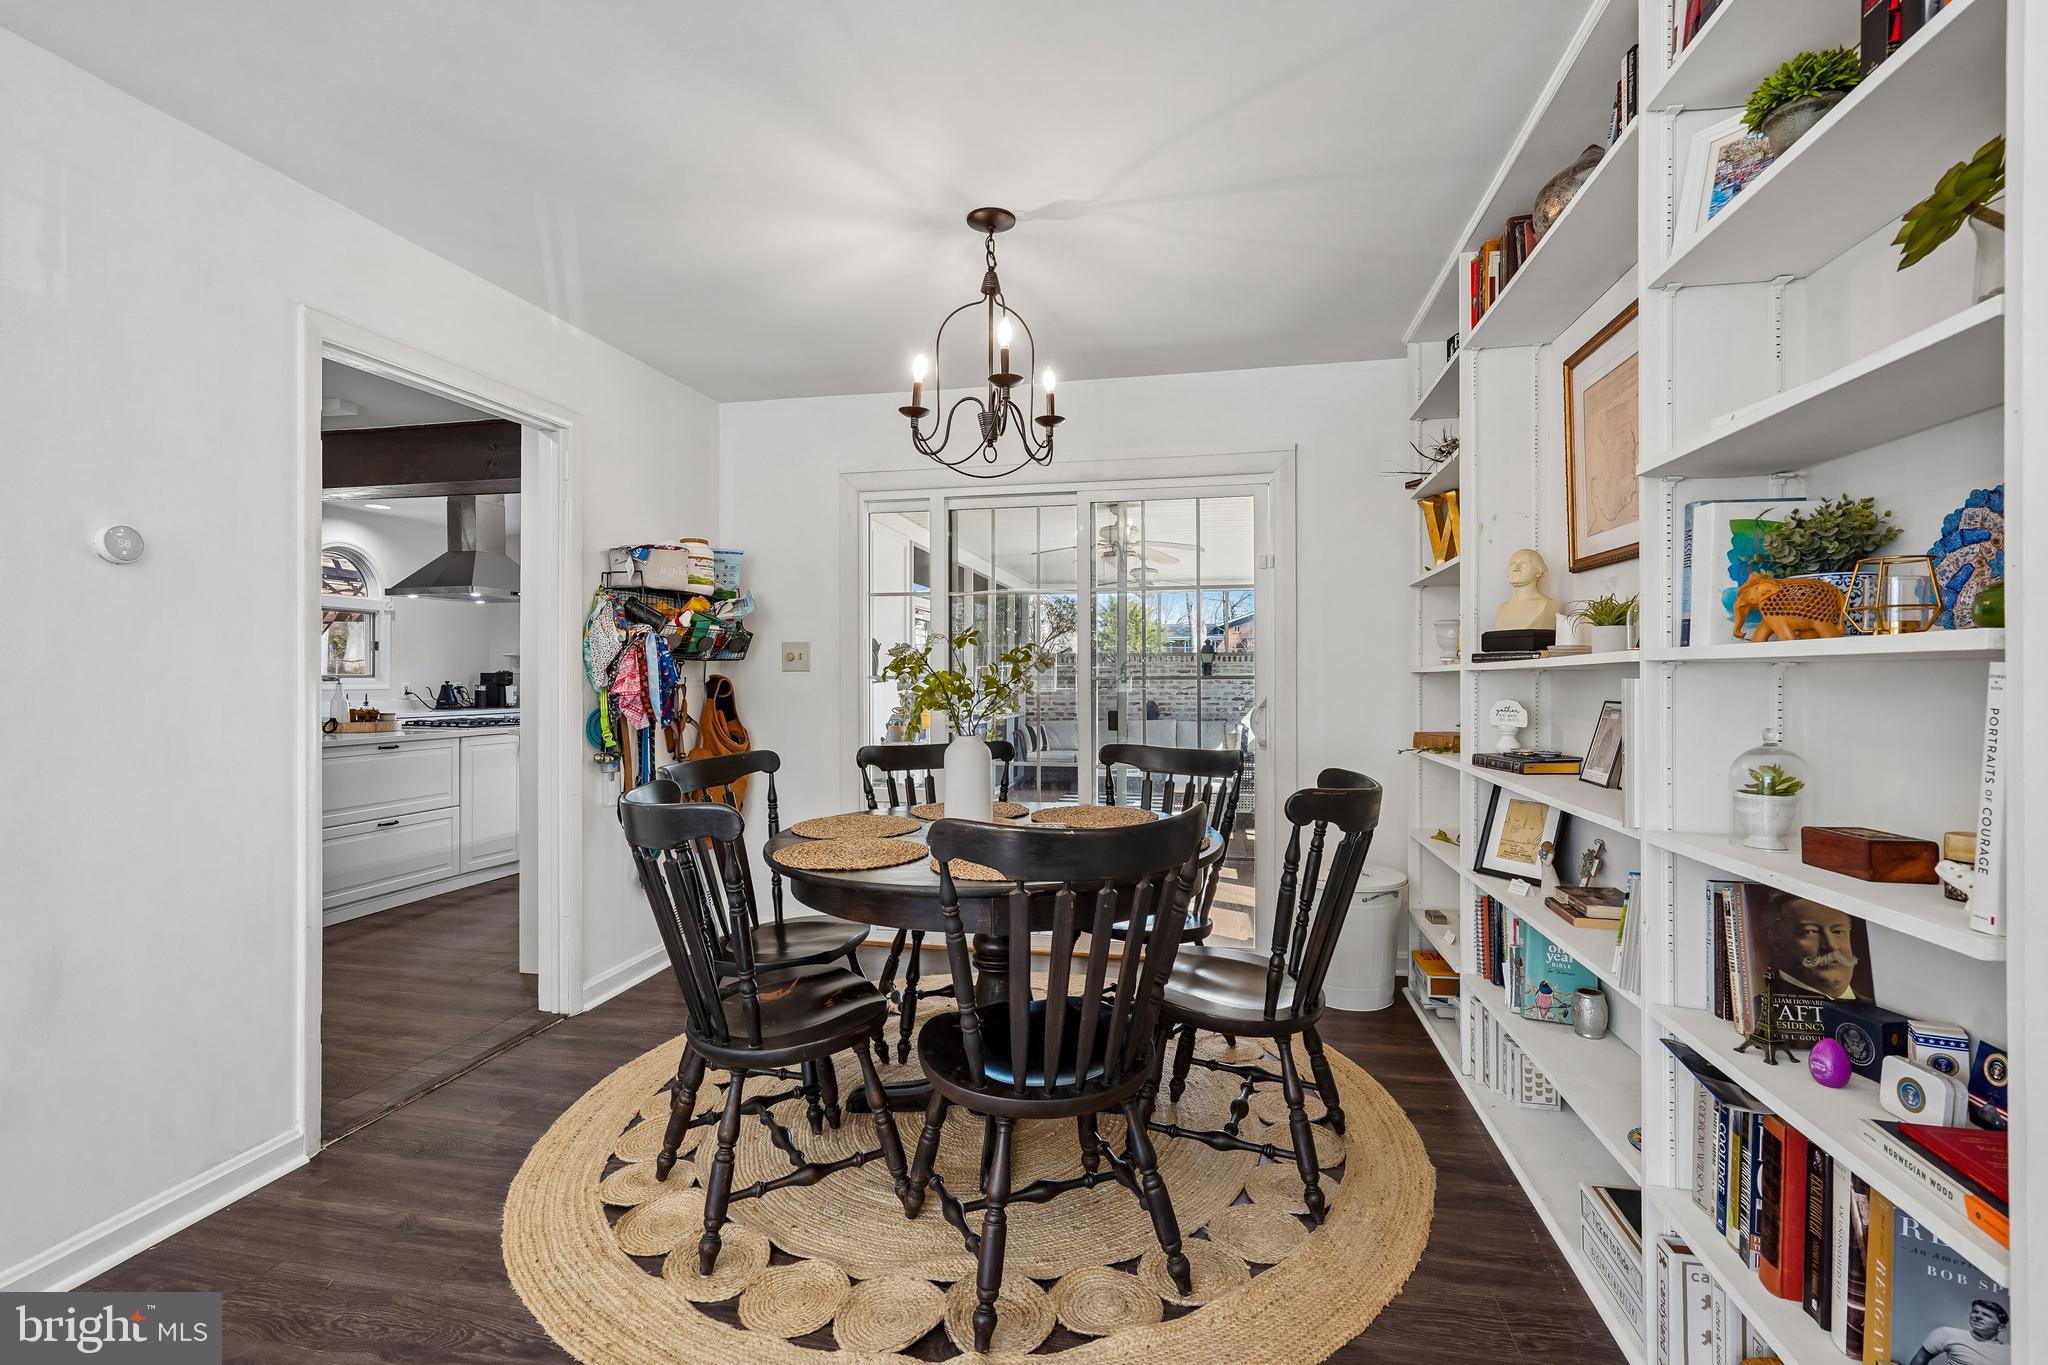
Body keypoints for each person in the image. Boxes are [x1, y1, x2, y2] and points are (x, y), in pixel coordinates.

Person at [1768, 896, 1863, 1000]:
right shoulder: (1760, 1009)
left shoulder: (1878, 1011)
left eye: (1838, 931)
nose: (1832, 946)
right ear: (1776, 941)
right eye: (1810, 932)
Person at [1906, 1298, 2010, 1365]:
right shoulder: (1948, 1334)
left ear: (2001, 1328)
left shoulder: (2010, 1352)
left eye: (1986, 1315)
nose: (1977, 1316)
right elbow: (1920, 1359)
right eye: (1975, 1312)